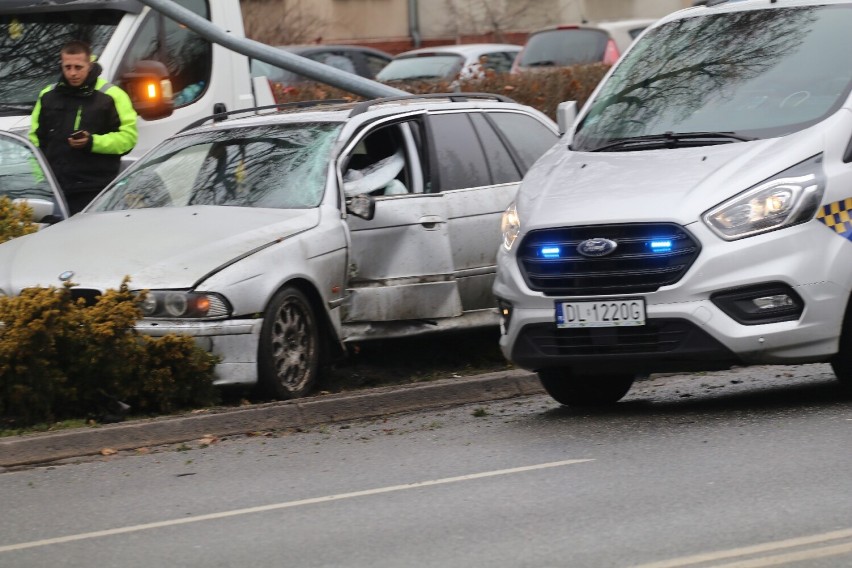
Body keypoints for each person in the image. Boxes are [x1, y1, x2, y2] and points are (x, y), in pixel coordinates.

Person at [29, 40, 138, 214]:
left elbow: (128, 139)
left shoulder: (111, 95)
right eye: (68, 67)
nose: (72, 73)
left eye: (78, 67)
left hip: (95, 190)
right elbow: (34, 142)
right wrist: (42, 180)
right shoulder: (47, 95)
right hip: (55, 190)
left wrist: (92, 142)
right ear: (61, 65)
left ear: (90, 65)